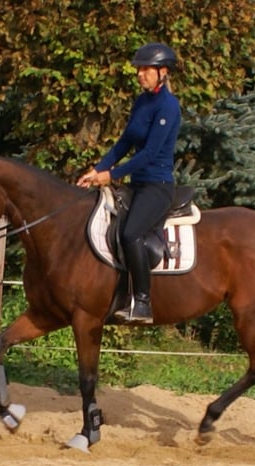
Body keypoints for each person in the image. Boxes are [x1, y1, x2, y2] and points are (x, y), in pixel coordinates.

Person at [77, 42, 181, 324]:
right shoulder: (142, 102)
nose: (139, 74)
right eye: (138, 69)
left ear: (162, 72)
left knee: (130, 233)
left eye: (145, 69)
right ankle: (118, 295)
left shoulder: (168, 107)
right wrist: (97, 169)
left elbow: (148, 154)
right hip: (136, 185)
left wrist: (110, 176)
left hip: (157, 185)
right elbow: (125, 143)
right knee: (111, 226)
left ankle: (143, 302)